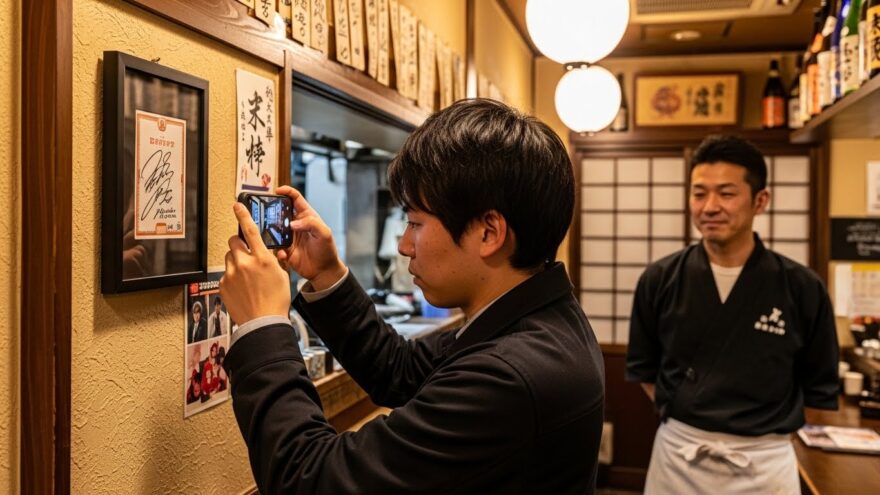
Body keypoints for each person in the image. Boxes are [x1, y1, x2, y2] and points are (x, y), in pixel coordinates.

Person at [219, 99, 605, 494]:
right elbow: (399, 370)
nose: (404, 245)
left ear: (489, 233)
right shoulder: (534, 317)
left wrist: (263, 325)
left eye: (415, 223)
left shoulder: (510, 377)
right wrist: (326, 273)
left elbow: (311, 480)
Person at [625, 134, 839, 494]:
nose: (709, 206)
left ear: (760, 201)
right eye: (699, 193)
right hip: (679, 458)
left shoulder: (802, 287)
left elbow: (819, 389)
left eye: (726, 193)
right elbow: (644, 369)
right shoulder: (659, 279)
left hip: (764, 465)